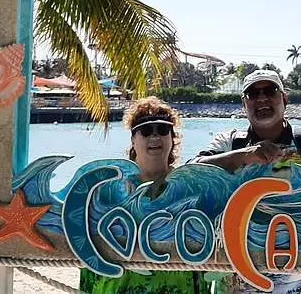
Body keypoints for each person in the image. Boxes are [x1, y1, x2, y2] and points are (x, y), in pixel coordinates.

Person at [190, 69, 301, 294]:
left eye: (270, 91)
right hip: (238, 278)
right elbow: (191, 170)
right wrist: (245, 155)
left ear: (284, 99)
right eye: (253, 94)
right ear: (243, 103)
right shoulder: (230, 143)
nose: (262, 99)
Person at [80, 96, 212, 294]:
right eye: (146, 131)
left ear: (172, 138)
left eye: (163, 130)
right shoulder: (109, 191)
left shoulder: (192, 190)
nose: (155, 136)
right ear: (133, 139)